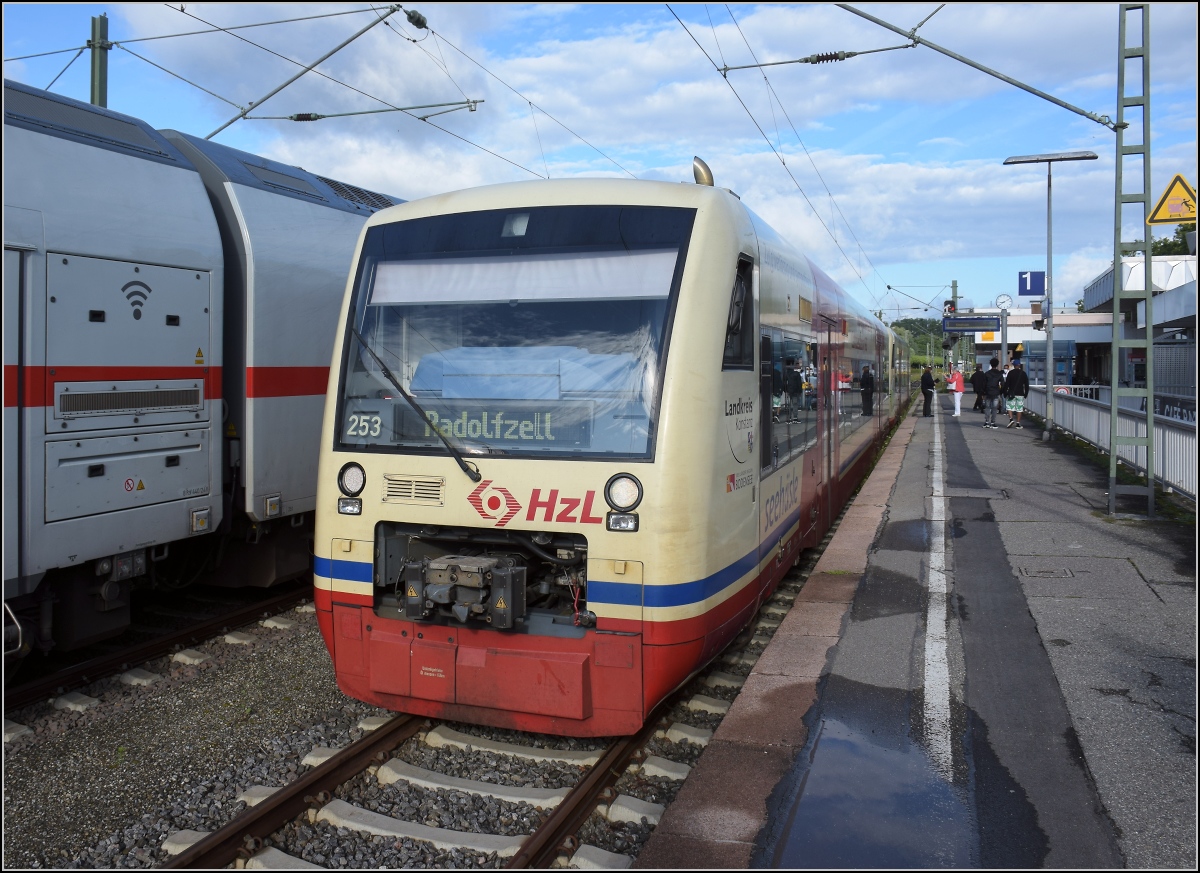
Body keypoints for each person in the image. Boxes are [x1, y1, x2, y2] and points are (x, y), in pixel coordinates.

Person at [1005, 361, 1030, 428]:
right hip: (1020, 393)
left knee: (1009, 407)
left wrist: (1005, 392)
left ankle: (1011, 419)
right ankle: (1018, 423)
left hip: (1011, 393)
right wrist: (1026, 393)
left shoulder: (1010, 373)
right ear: (1019, 365)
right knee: (1019, 408)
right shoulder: (1023, 373)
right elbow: (1026, 385)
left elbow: (1007, 384)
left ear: (1013, 365)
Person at [982, 357, 1005, 428]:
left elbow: (983, 384)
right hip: (996, 392)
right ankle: (993, 422)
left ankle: (986, 422)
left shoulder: (987, 373)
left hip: (988, 392)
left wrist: (983, 392)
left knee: (987, 407)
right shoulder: (999, 374)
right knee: (995, 408)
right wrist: (1001, 391)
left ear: (991, 364)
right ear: (997, 365)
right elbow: (1002, 384)